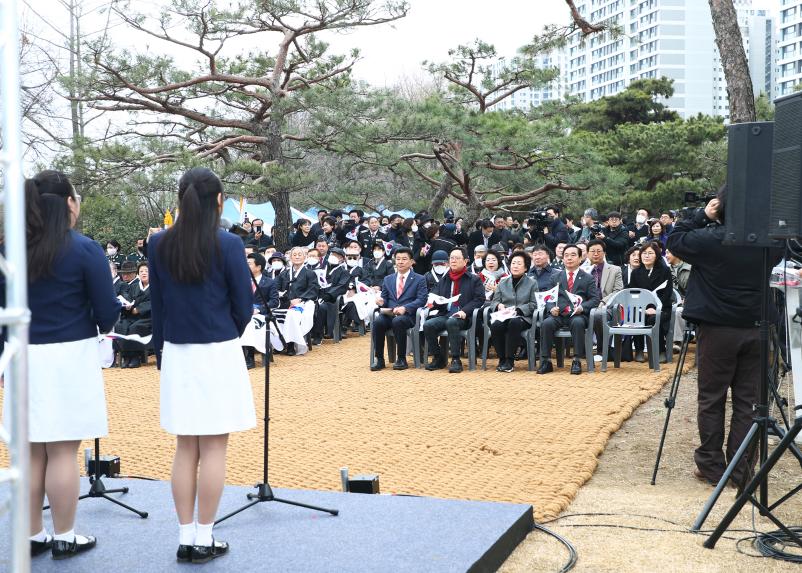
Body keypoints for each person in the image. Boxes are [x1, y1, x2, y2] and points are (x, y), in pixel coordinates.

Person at [2, 171, 120, 560]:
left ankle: (33, 534)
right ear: (69, 203)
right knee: (63, 452)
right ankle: (66, 535)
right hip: (69, 357)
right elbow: (107, 316)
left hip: (21, 355)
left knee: (32, 452)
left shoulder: (10, 251)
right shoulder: (85, 249)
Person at [148, 168, 255, 563]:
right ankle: (205, 538)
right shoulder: (228, 244)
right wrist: (230, 330)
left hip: (176, 349)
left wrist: (161, 352)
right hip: (218, 349)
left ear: (180, 199)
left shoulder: (158, 243)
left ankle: (184, 534)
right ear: (220, 201)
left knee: (184, 447)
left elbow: (157, 307)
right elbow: (243, 305)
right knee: (213, 448)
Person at [667, 190, 781, 488]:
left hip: (717, 329)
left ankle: (711, 465)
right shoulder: (769, 241)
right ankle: (741, 469)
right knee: (750, 402)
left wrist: (703, 215)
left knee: (712, 398)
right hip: (758, 327)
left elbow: (675, 240)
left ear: (721, 209)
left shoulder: (711, 239)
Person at [538, 244, 600, 375]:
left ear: (580, 259)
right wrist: (551, 308)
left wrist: (582, 307)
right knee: (546, 323)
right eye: (566, 255)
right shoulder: (555, 277)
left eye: (573, 255)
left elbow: (595, 300)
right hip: (559, 314)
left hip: (578, 314)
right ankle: (546, 361)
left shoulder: (588, 278)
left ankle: (577, 360)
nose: (569, 258)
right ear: (563, 259)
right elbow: (548, 298)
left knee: (577, 323)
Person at [423, 247, 485, 373]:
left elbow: (479, 299)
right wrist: (433, 303)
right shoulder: (445, 279)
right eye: (451, 258)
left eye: (457, 258)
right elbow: (434, 297)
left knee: (452, 322)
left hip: (464, 316)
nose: (453, 261)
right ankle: (438, 358)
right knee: (428, 325)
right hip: (446, 313)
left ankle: (456, 359)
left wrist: (464, 311)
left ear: (466, 261)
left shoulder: (474, 279)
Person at [371, 247, 428, 371]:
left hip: (408, 316)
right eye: (398, 259)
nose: (400, 262)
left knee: (399, 321)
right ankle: (379, 359)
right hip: (390, 313)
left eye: (404, 259)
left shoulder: (420, 279)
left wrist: (405, 308)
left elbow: (422, 299)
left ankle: (401, 358)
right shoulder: (388, 279)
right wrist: (381, 301)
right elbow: (385, 298)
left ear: (412, 261)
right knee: (378, 322)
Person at [488, 251, 539, 373]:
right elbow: (494, 302)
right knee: (496, 325)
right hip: (504, 315)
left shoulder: (532, 283)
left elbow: (534, 304)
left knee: (514, 323)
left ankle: (510, 360)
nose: (515, 266)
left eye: (519, 263)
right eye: (513, 263)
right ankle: (502, 359)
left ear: (526, 267)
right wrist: (499, 305)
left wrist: (519, 310)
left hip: (522, 317)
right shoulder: (503, 282)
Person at [629, 241, 673, 363]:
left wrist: (656, 308)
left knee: (653, 319)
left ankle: (660, 350)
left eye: (650, 253)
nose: (646, 256)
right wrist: (643, 308)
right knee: (637, 316)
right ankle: (639, 350)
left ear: (657, 255)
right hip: (641, 308)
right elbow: (633, 293)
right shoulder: (636, 272)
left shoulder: (664, 271)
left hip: (662, 308)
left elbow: (667, 293)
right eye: (644, 253)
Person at [275, 246, 320, 355]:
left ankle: (290, 344)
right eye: (294, 255)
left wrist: (300, 299)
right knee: (273, 314)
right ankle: (279, 344)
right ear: (290, 258)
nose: (297, 257)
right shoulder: (284, 274)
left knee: (292, 315)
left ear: (305, 257)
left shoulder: (310, 273)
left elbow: (313, 289)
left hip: (303, 303)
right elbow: (275, 287)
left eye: (300, 255)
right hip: (285, 302)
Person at [586, 239, 623, 354]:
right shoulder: (582, 270)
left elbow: (618, 290)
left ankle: (601, 349)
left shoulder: (615, 270)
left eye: (599, 251)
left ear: (604, 253)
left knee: (598, 314)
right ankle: (581, 349)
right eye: (592, 251)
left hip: (607, 306)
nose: (595, 254)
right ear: (587, 253)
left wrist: (603, 302)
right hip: (586, 305)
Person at [243, 252, 279, 369]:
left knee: (250, 323)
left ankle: (251, 357)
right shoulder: (241, 281)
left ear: (258, 267)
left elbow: (274, 301)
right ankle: (243, 357)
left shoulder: (269, 282)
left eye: (249, 264)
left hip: (261, 314)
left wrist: (258, 309)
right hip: (244, 313)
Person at [114, 261, 152, 368]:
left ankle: (135, 357)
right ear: (138, 274)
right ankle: (126, 357)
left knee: (135, 327)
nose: (144, 273)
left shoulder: (155, 287)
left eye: (146, 271)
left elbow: (154, 303)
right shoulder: (134, 286)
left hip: (148, 318)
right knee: (121, 325)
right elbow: (129, 299)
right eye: (141, 271)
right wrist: (127, 306)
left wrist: (139, 309)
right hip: (133, 315)